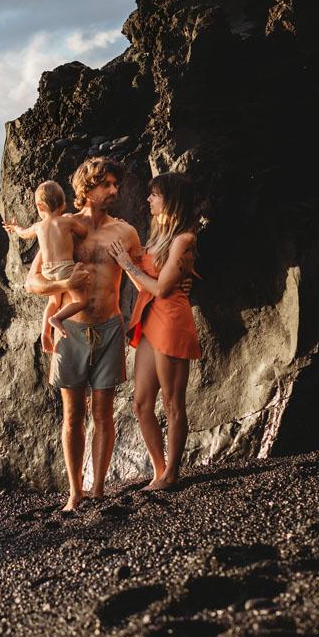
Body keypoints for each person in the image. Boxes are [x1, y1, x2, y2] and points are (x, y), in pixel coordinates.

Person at [24, 157, 140, 511]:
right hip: (70, 330)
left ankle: (99, 489)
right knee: (73, 415)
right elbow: (33, 282)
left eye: (115, 185)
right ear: (86, 189)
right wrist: (63, 282)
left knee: (104, 413)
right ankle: (75, 493)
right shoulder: (61, 227)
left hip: (109, 328)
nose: (114, 191)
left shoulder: (125, 232)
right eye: (106, 184)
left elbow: (141, 279)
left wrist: (136, 320)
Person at [107, 172, 200, 491]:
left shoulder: (184, 239)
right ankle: (159, 471)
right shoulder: (158, 238)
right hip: (149, 319)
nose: (148, 200)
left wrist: (129, 265)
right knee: (141, 403)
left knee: (174, 403)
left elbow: (161, 288)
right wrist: (124, 262)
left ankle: (172, 474)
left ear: (170, 199)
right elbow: (145, 286)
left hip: (172, 319)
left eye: (155, 194)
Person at [2, 181, 88, 356]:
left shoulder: (38, 227)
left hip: (47, 270)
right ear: (63, 204)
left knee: (53, 302)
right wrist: (74, 223)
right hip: (65, 267)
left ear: (39, 205)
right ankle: (57, 318)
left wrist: (15, 228)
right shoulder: (66, 221)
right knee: (81, 301)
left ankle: (46, 334)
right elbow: (84, 233)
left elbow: (24, 233)